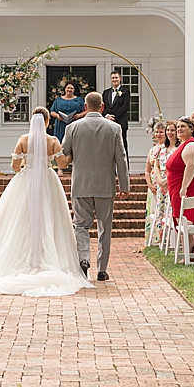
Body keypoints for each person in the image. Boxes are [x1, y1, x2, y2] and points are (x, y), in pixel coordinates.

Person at [0, 108, 92, 297]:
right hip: (47, 181)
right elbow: (63, 164)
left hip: (25, 181)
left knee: (20, 219)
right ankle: (48, 258)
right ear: (47, 121)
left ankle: (24, 258)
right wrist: (72, 153)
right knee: (50, 218)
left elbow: (15, 167)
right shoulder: (52, 141)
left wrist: (26, 167)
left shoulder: (22, 140)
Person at [60, 91, 131, 281]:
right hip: (105, 185)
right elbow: (121, 158)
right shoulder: (114, 128)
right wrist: (124, 184)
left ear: (84, 107)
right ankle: (102, 270)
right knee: (104, 228)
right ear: (102, 107)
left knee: (81, 226)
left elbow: (63, 152)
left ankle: (84, 259)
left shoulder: (73, 128)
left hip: (81, 184)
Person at [167, 116, 194, 238]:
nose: (179, 129)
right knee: (181, 221)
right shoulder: (183, 144)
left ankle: (191, 253)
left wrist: (184, 187)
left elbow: (191, 167)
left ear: (191, 128)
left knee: (186, 222)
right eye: (178, 126)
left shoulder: (191, 145)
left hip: (186, 188)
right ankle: (187, 254)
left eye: (183, 126)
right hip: (176, 187)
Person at [144, 121, 169, 240]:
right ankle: (152, 237)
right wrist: (149, 184)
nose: (158, 134)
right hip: (152, 185)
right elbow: (147, 170)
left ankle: (162, 236)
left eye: (161, 132)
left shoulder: (168, 149)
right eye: (157, 132)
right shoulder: (152, 150)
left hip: (163, 184)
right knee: (152, 210)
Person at [102, 71, 131, 157]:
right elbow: (103, 106)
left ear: (120, 79)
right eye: (113, 78)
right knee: (108, 146)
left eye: (116, 77)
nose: (114, 80)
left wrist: (113, 117)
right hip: (108, 123)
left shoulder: (125, 91)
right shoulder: (106, 92)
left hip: (120, 122)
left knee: (122, 146)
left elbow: (125, 107)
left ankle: (125, 169)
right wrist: (107, 116)